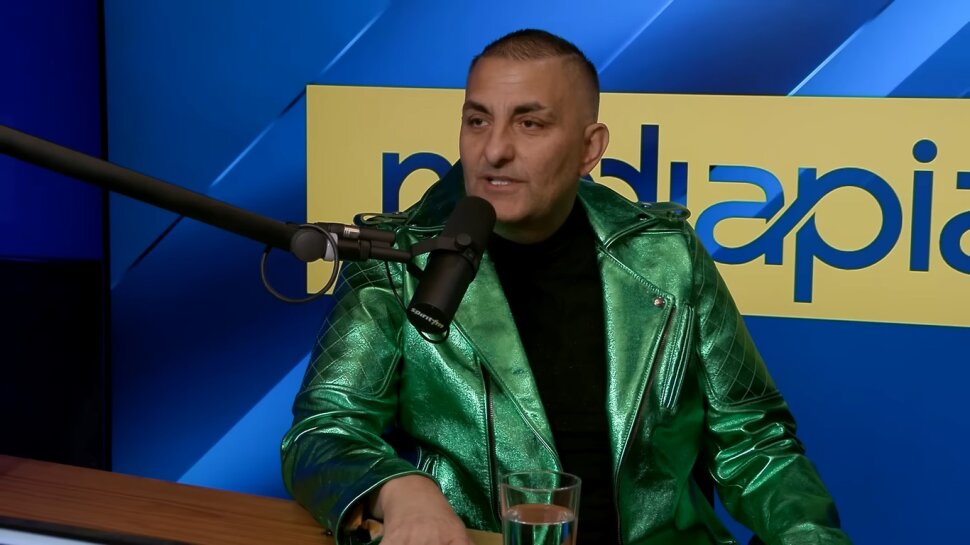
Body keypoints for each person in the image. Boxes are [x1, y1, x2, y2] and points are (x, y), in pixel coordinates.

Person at [282, 29, 851, 545]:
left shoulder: (670, 257)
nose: (494, 149)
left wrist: (810, 537)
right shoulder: (395, 260)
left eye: (529, 123)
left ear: (589, 149)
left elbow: (754, 442)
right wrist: (401, 490)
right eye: (477, 120)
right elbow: (322, 430)